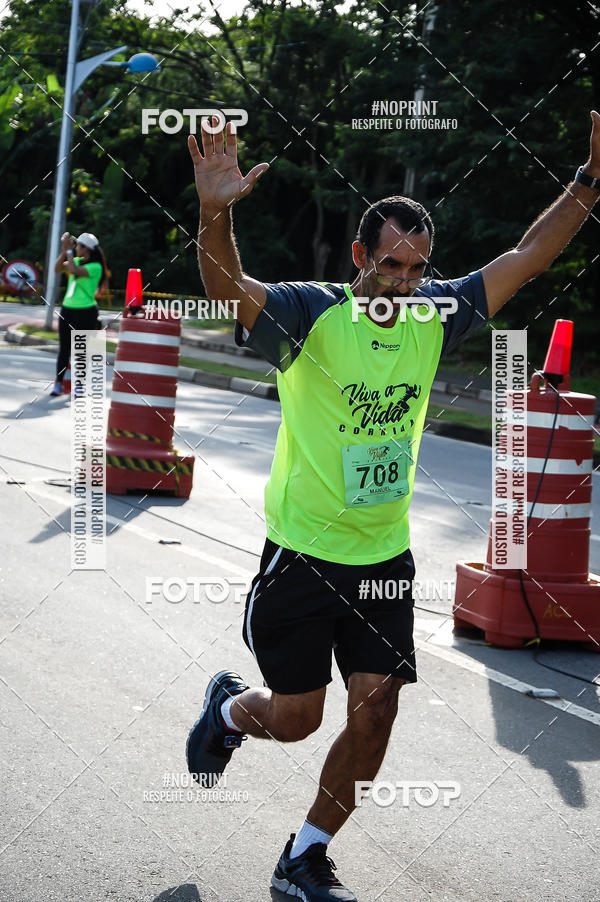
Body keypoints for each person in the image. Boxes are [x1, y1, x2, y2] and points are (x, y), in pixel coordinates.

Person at [185, 113, 600, 901]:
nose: (405, 282)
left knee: (375, 710)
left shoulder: (436, 311)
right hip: (302, 555)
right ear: (358, 258)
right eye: (391, 265)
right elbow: (222, 288)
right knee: (300, 717)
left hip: (383, 560)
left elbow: (529, 255)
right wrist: (216, 210)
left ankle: (304, 854)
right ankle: (230, 711)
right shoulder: (309, 314)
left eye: (417, 268)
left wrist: (589, 179)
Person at [49, 231, 106, 396]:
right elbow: (57, 268)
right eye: (76, 245)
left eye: (79, 246)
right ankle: (58, 384)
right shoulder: (76, 260)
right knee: (64, 349)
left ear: (87, 249)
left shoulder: (96, 267)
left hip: (86, 310)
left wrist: (68, 250)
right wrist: (64, 250)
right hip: (68, 308)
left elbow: (73, 270)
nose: (77, 248)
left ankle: (79, 386)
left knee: (81, 349)